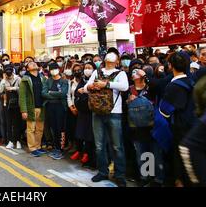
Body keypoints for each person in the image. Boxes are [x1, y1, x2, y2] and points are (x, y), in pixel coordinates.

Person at [84, 48, 129, 187]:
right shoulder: (97, 72)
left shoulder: (120, 73)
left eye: (113, 57)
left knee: (117, 146)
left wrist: (107, 84)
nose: (110, 59)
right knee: (99, 145)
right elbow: (86, 88)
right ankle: (102, 171)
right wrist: (91, 86)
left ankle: (120, 174)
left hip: (114, 112)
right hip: (97, 111)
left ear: (117, 61)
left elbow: (125, 87)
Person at [162, 52, 198, 187]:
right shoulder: (192, 81)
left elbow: (165, 111)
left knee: (179, 159)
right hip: (193, 125)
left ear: (170, 66)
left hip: (179, 127)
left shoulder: (173, 86)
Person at [127, 68, 163, 187]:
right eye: (133, 72)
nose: (135, 74)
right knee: (142, 154)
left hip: (153, 126)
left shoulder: (150, 87)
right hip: (137, 128)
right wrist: (128, 100)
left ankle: (157, 179)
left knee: (155, 153)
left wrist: (146, 76)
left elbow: (159, 86)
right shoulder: (129, 89)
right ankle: (145, 176)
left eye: (138, 72)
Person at [70, 62, 95, 167]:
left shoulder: (96, 79)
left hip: (92, 112)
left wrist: (84, 91)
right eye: (86, 68)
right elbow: (76, 93)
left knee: (90, 135)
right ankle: (81, 152)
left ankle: (88, 155)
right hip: (82, 111)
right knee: (81, 133)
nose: (87, 69)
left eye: (89, 68)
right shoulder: (83, 79)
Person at [19, 62, 46, 157]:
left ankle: (38, 146)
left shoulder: (42, 78)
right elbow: (22, 96)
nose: (34, 64)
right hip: (31, 108)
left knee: (40, 129)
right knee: (31, 129)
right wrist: (24, 110)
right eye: (31, 64)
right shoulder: (25, 80)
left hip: (41, 107)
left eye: (35, 63)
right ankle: (32, 147)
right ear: (27, 69)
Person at [42, 62, 69, 160]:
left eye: (55, 68)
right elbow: (44, 93)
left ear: (59, 69)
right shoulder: (48, 80)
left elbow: (63, 94)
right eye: (51, 69)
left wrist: (51, 92)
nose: (53, 70)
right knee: (53, 127)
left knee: (60, 128)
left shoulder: (64, 81)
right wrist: (55, 94)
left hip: (60, 107)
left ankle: (60, 149)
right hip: (50, 106)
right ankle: (56, 147)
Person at [0, 64, 22, 149]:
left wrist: (13, 88)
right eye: (6, 71)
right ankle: (10, 141)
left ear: (12, 71)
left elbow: (22, 89)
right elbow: (0, 90)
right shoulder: (4, 80)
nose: (8, 73)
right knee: (8, 123)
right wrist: (4, 81)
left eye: (10, 71)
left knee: (17, 123)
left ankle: (18, 141)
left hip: (17, 104)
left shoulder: (18, 78)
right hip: (7, 104)